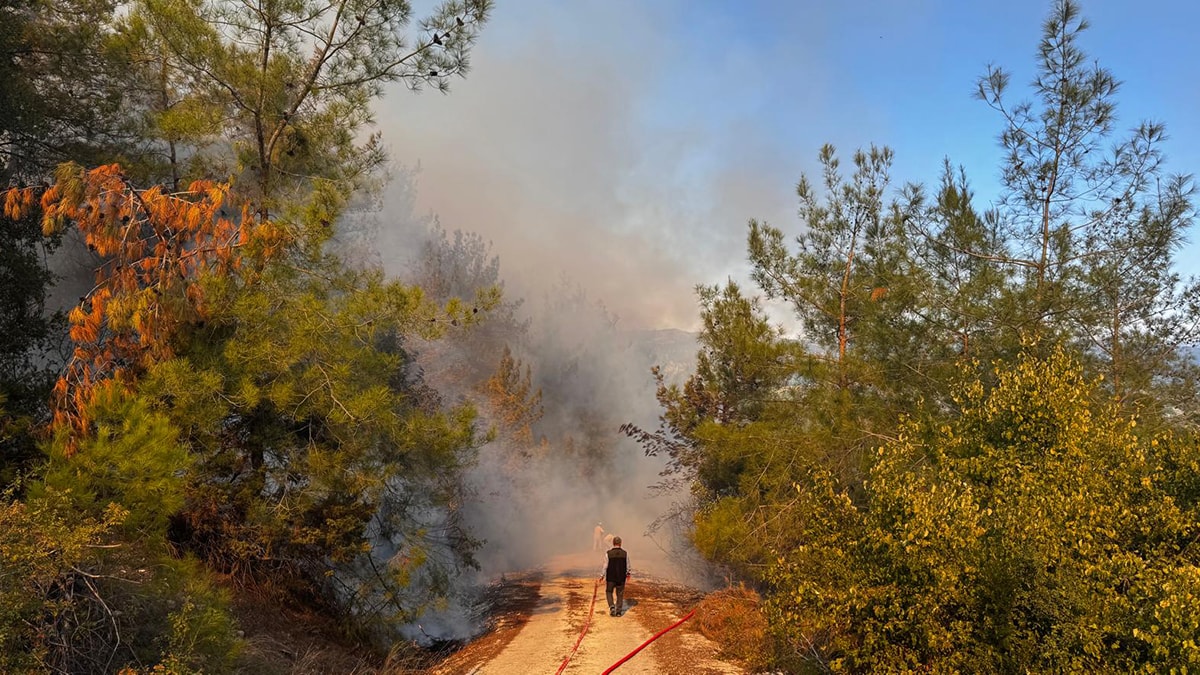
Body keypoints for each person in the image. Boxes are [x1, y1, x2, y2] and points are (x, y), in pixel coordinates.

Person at [601, 536, 630, 616]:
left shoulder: (608, 553)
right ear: (620, 543)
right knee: (620, 594)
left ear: (613, 543)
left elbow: (605, 565)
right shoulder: (625, 553)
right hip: (621, 577)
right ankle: (618, 612)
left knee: (609, 592)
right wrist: (628, 574)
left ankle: (612, 607)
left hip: (610, 577)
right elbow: (628, 565)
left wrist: (602, 575)